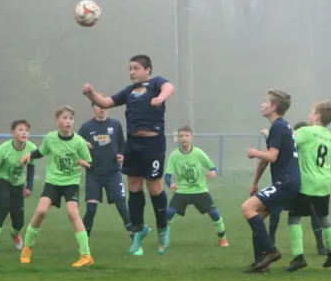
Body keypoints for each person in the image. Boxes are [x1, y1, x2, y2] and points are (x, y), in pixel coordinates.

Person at [82, 54, 175, 255]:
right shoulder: (130, 91)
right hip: (133, 143)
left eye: (136, 68)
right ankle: (139, 229)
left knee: (154, 187)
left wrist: (161, 97)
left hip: (153, 143)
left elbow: (169, 87)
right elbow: (106, 102)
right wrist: (92, 95)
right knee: (133, 185)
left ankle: (162, 229)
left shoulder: (156, 83)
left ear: (147, 70)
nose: (132, 72)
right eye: (130, 69)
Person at [18, 105, 93, 267]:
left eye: (71, 118)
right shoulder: (51, 138)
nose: (68, 122)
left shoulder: (79, 142)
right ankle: (27, 248)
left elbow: (90, 163)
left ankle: (86, 255)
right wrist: (29, 155)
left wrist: (84, 163)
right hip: (53, 182)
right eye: (65, 118)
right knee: (40, 211)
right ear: (57, 121)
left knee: (73, 213)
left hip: (71, 183)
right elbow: (41, 152)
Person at [282, 100, 331, 272]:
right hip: (324, 183)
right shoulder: (330, 137)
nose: (309, 116)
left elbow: (286, 141)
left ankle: (298, 257)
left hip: (306, 183)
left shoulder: (306, 131)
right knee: (324, 217)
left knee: (294, 218)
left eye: (311, 112)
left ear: (317, 116)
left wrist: (269, 134)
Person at [243, 89, 300, 273]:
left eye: (265, 102)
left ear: (274, 107)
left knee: (247, 208)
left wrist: (254, 152)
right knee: (257, 217)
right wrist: (255, 182)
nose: (262, 104)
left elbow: (271, 156)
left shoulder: (278, 127)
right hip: (288, 183)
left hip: (286, 183)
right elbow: (267, 157)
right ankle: (261, 264)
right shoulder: (281, 126)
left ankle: (271, 252)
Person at [262, 121, 326, 255]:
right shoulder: (295, 144)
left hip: (301, 185)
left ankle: (319, 245)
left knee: (307, 213)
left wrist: (267, 135)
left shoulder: (304, 144)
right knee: (278, 210)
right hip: (293, 183)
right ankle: (272, 239)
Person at [77, 101, 134, 249]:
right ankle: (83, 244)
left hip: (113, 174)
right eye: (98, 106)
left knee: (122, 207)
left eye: (104, 106)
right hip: (93, 174)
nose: (101, 109)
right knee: (91, 210)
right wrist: (82, 156)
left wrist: (121, 155)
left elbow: (122, 144)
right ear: (93, 108)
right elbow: (76, 145)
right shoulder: (86, 127)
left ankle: (135, 239)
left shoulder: (115, 125)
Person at [164, 126, 229, 248]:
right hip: (182, 191)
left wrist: (213, 172)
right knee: (169, 213)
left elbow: (213, 168)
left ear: (192, 138)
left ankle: (223, 239)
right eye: (181, 136)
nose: (184, 139)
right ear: (178, 139)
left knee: (214, 213)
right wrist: (171, 184)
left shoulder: (199, 153)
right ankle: (164, 238)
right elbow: (167, 176)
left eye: (187, 136)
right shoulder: (174, 155)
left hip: (200, 190)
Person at [0, 119, 37, 255]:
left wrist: (29, 186)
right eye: (20, 130)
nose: (24, 133)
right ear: (12, 133)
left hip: (17, 185)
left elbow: (31, 168)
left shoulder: (31, 148)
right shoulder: (4, 149)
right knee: (5, 205)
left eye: (26, 130)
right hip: (0, 180)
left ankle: (14, 233)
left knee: (19, 222)